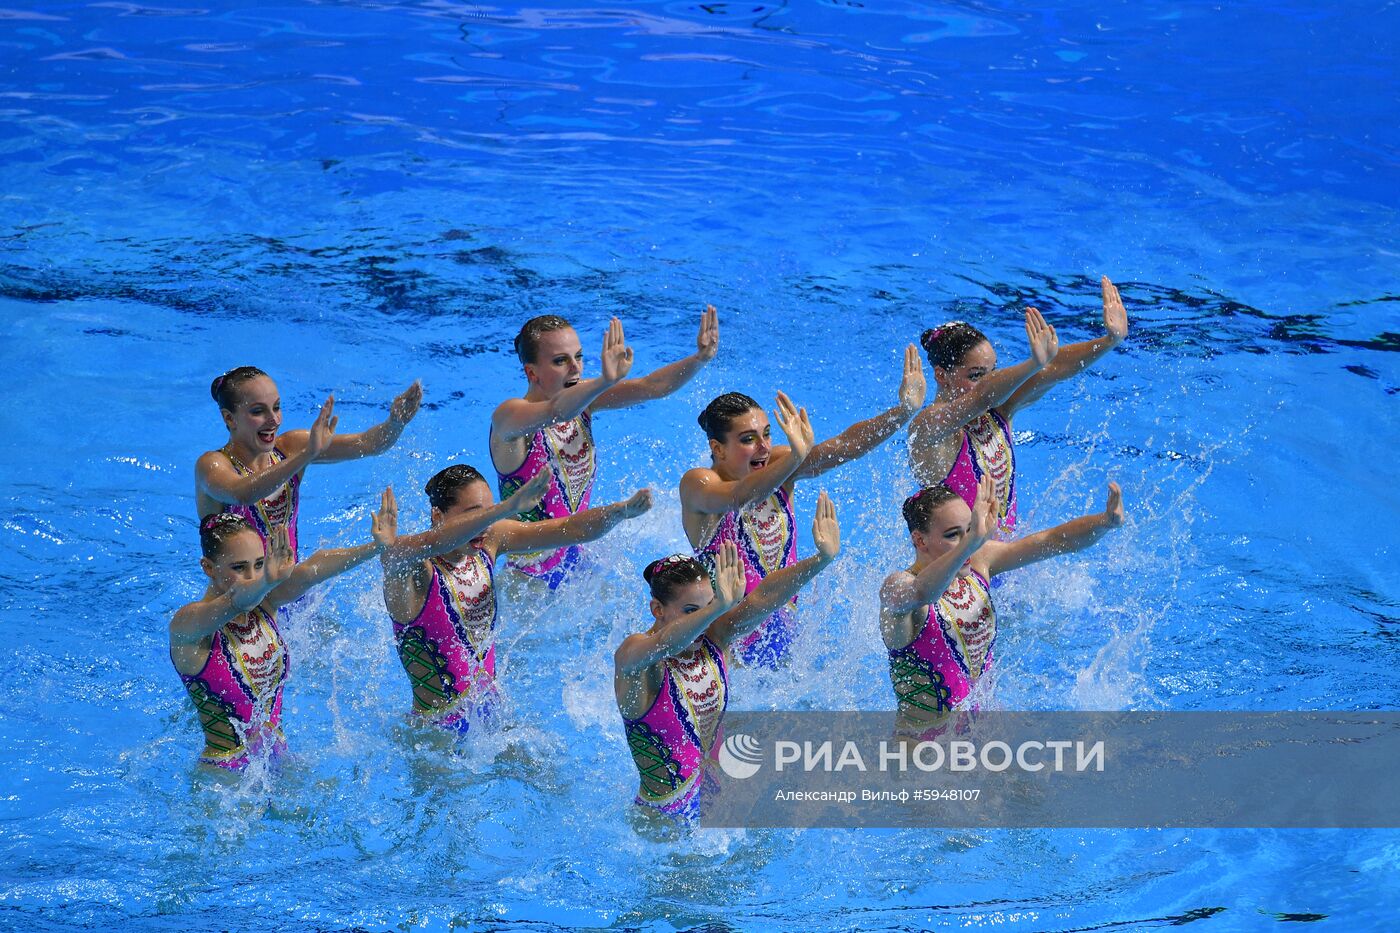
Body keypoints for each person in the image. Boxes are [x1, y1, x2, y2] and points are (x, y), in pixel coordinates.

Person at [679, 345, 925, 667]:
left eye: (767, 433)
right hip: (724, 646)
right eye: (748, 439)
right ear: (718, 448)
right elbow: (741, 496)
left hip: (785, 633)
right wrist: (795, 457)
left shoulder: (778, 464)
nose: (764, 446)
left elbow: (843, 447)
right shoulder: (699, 484)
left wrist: (903, 412)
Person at [614, 492, 841, 820]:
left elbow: (764, 597)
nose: (703, 621)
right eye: (692, 611)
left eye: (708, 607)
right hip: (665, 826)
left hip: (719, 804)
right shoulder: (637, 659)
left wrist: (820, 560)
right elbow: (666, 642)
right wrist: (719, 606)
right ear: (657, 609)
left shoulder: (713, 639)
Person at [379, 465, 653, 735]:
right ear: (437, 515)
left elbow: (571, 530)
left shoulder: (489, 543)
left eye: (488, 512)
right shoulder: (414, 572)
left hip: (492, 716)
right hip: (437, 737)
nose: (485, 525)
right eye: (475, 516)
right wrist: (505, 508)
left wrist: (619, 512)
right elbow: (394, 554)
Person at [879, 473, 1124, 737]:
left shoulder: (978, 563)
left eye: (971, 529)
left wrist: (1104, 522)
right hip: (923, 753)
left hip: (984, 738)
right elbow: (920, 593)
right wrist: (972, 541)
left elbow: (1053, 541)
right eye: (953, 535)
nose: (967, 543)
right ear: (920, 540)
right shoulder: (897, 587)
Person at [490, 307, 718, 587]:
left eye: (579, 357)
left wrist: (699, 359)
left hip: (579, 562)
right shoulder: (509, 417)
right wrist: (604, 381)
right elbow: (556, 411)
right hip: (526, 582)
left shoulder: (584, 401)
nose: (575, 367)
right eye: (561, 360)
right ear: (532, 372)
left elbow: (651, 386)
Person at [169, 491, 395, 769]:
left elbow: (313, 569)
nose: (252, 576)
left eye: (260, 564)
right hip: (225, 776)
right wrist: (267, 580)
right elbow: (237, 599)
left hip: (279, 757)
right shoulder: (189, 624)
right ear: (208, 568)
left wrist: (375, 548)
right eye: (239, 567)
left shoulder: (266, 604)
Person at [909, 276, 1129, 535]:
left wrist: (1108, 341)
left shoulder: (999, 412)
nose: (990, 380)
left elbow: (1053, 369)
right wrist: (1031, 364)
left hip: (996, 566)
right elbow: (982, 396)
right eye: (977, 374)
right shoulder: (928, 426)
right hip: (953, 570)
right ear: (941, 375)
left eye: (994, 371)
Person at [195, 366, 422, 558]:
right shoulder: (212, 465)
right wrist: (306, 455)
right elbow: (241, 494)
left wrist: (395, 423)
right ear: (229, 418)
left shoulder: (290, 447)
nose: (273, 420)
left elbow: (369, 444)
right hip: (237, 602)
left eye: (276, 407)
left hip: (292, 593)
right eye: (258, 411)